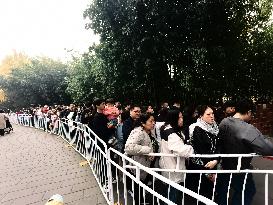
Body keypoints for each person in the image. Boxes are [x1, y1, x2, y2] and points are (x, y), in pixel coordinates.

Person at [216, 99, 273, 205]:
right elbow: (267, 148)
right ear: (249, 112)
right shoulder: (247, 129)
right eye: (252, 114)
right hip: (240, 168)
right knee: (247, 191)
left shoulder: (224, 122)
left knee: (223, 192)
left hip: (224, 165)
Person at [187, 105, 220, 204]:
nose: (212, 116)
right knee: (202, 194)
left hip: (213, 163)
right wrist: (209, 173)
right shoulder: (197, 129)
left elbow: (219, 145)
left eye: (212, 113)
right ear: (201, 116)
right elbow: (201, 151)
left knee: (211, 193)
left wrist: (216, 160)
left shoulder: (215, 127)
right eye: (208, 114)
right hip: (201, 167)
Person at [159, 109, 194, 204]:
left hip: (169, 166)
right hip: (173, 168)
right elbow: (181, 150)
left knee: (167, 193)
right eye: (180, 117)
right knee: (172, 196)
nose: (182, 119)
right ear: (174, 118)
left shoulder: (167, 128)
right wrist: (191, 147)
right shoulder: (171, 133)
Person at [124, 113, 156, 204]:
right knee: (138, 188)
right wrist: (147, 150)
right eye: (151, 121)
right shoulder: (138, 132)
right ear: (143, 123)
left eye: (154, 121)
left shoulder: (150, 131)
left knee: (141, 187)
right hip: (138, 166)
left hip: (146, 165)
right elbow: (128, 147)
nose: (153, 123)